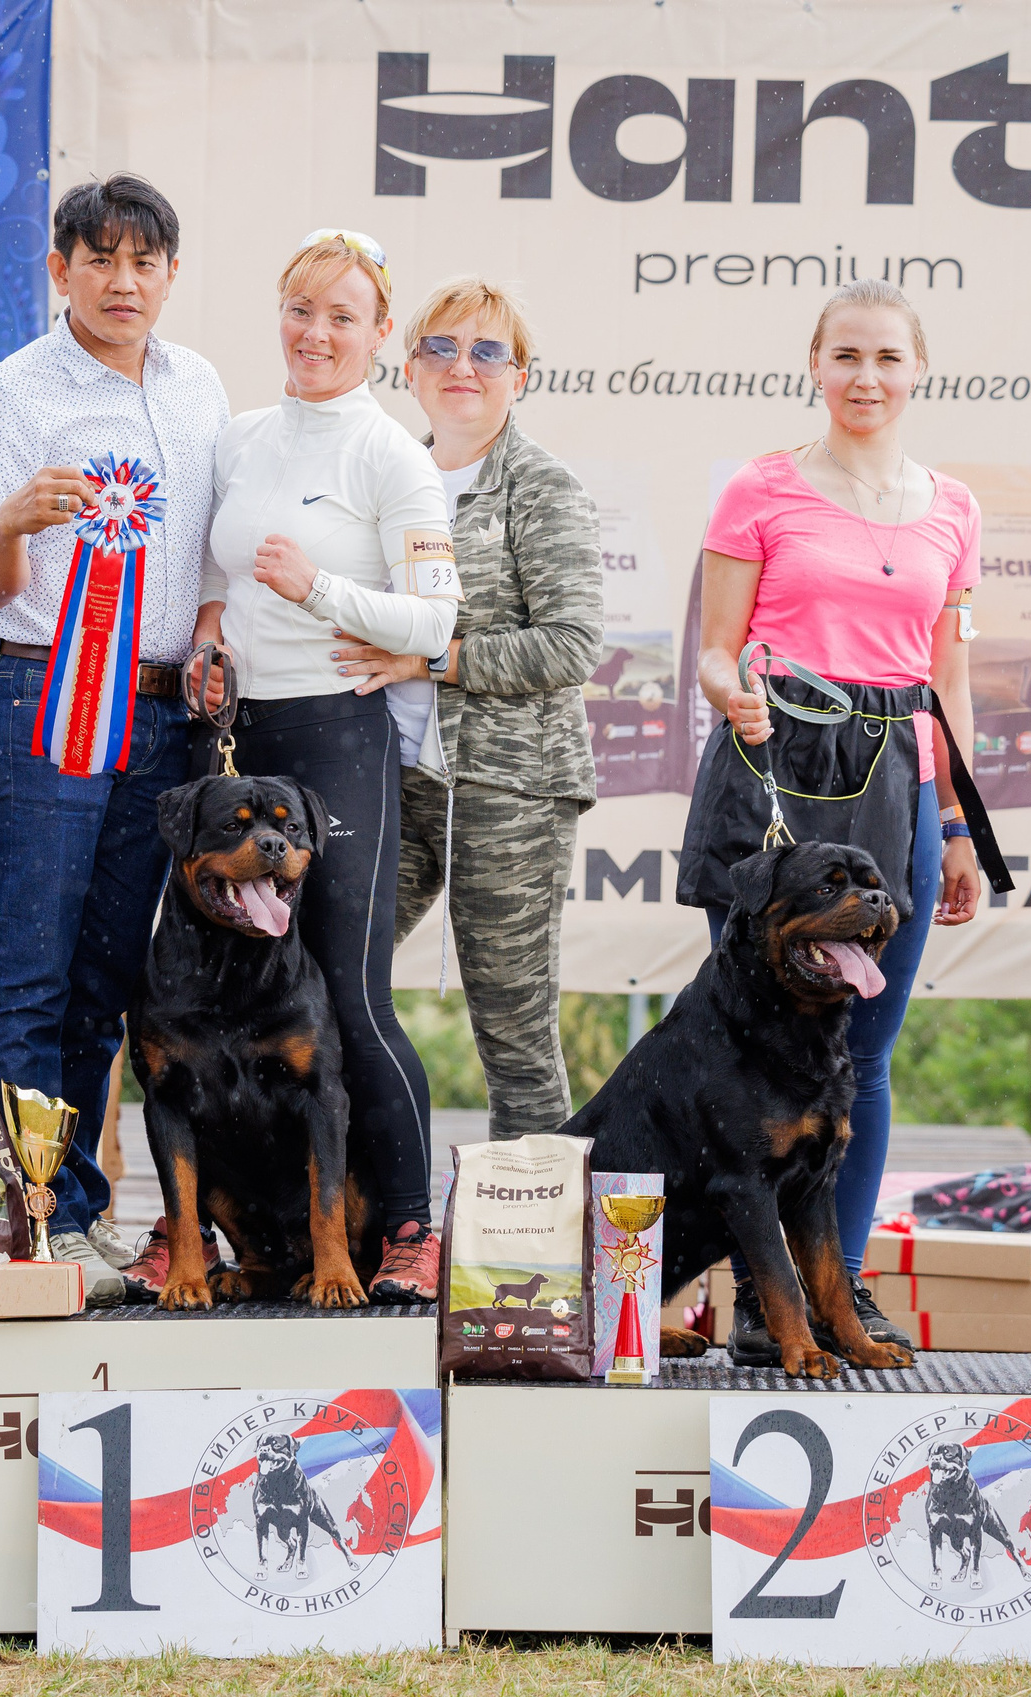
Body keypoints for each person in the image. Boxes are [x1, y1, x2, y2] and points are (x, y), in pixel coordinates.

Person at [682, 277, 1002, 1363]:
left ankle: (841, 1291)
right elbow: (715, 647)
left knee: (862, 1053)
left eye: (887, 358)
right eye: (846, 356)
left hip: (896, 780)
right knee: (751, 1052)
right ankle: (755, 1301)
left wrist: (953, 823)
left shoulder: (953, 507)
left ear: (919, 371)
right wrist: (730, 690)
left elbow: (948, 679)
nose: (867, 378)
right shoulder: (760, 487)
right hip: (779, 767)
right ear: (815, 366)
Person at [168, 227, 457, 1304]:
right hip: (234, 738)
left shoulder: (392, 455)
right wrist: (210, 639)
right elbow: (215, 569)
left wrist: (320, 592)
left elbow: (435, 619)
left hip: (337, 737)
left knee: (347, 994)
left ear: (381, 336)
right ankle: (203, 1231)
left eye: (343, 316)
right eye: (301, 311)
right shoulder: (242, 437)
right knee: (200, 996)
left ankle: (411, 1227)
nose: (316, 334)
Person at [0, 175, 229, 1303]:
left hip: (166, 707)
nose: (124, 282)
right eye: (100, 259)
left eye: (144, 262)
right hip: (46, 692)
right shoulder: (12, 394)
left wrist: (208, 636)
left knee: (110, 971)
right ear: (59, 269)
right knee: (32, 962)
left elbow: (209, 550)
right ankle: (34, 1215)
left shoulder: (200, 384)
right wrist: (13, 522)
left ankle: (75, 1202)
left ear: (171, 273)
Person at [335, 277, 600, 1139]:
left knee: (513, 1032)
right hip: (392, 779)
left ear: (520, 376)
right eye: (442, 348)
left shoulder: (542, 487)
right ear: (408, 368)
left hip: (509, 790)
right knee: (327, 983)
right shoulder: (386, 474)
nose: (463, 366)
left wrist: (433, 660)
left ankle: (533, 1220)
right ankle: (364, 1203)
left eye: (489, 351)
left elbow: (570, 644)